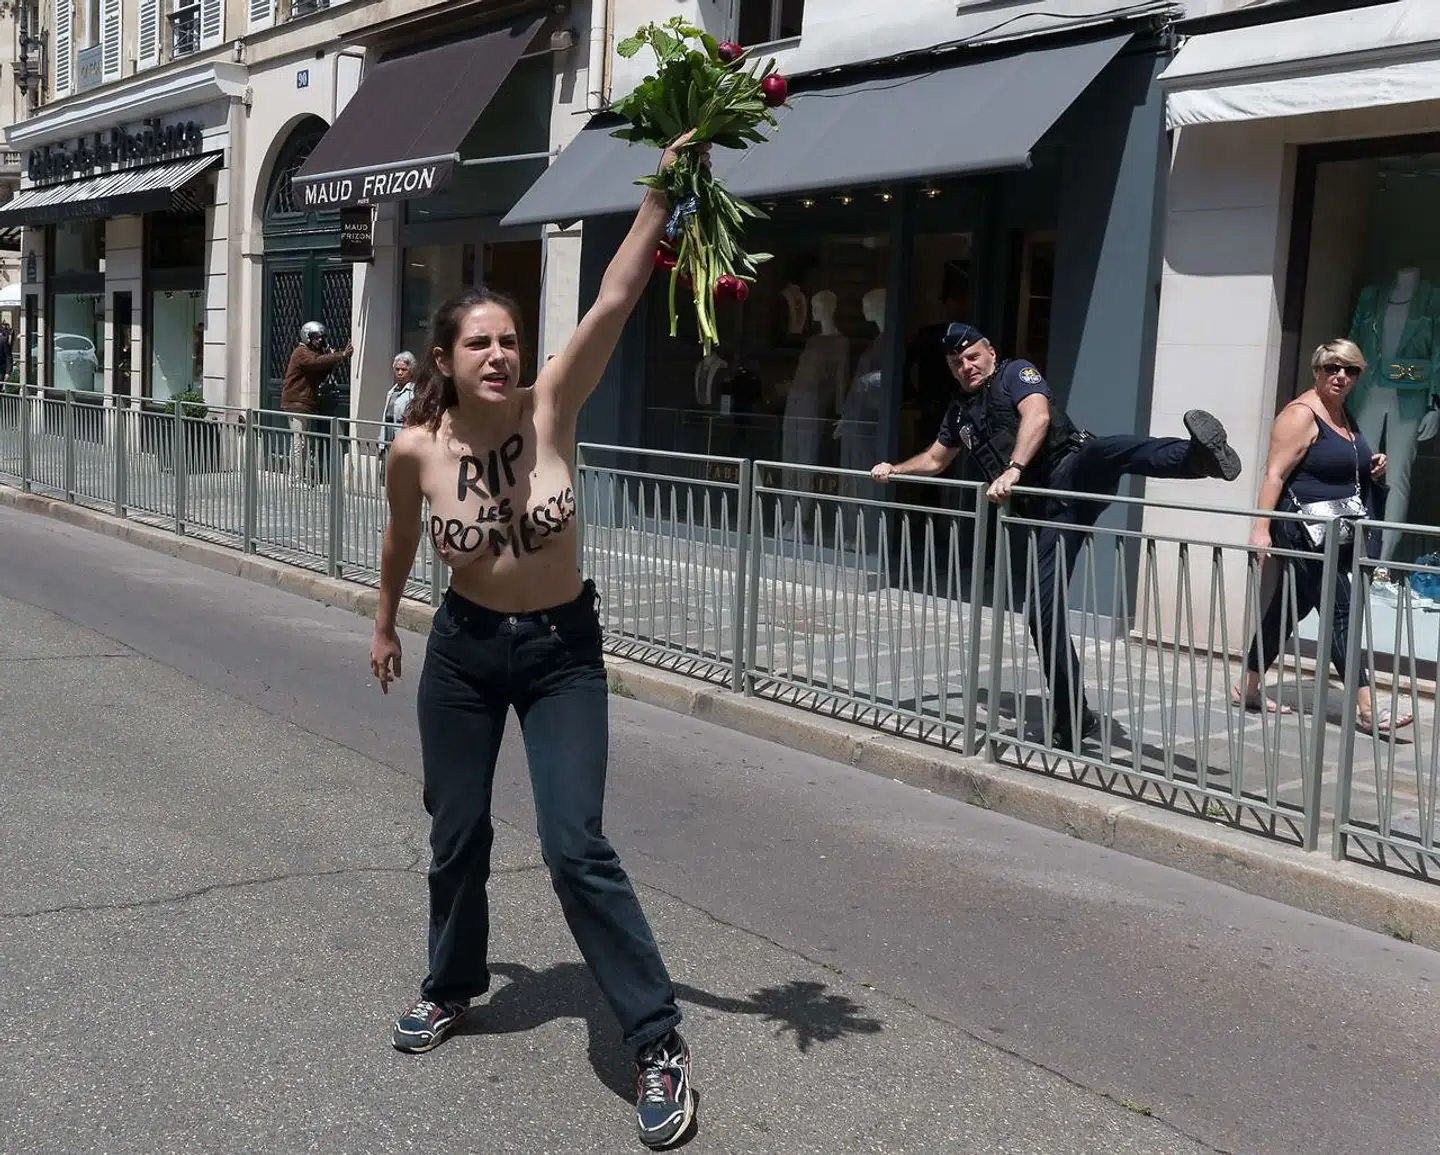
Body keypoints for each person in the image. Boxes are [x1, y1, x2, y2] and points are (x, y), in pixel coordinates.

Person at [368, 133, 703, 1151]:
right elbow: (396, 544)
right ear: (446, 360)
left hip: (562, 652)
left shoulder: (553, 409)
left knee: (573, 844)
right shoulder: (415, 450)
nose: (502, 354)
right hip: (465, 652)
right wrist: (382, 624)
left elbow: (613, 294)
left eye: (510, 338)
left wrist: (663, 190)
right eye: (481, 343)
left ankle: (656, 1040)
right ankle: (452, 985)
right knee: (457, 833)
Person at [870, 323, 1244, 749]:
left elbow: (1038, 415)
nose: (966, 367)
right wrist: (896, 469)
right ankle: (1073, 716)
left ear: (989, 351)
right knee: (1041, 614)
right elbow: (937, 460)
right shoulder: (959, 413)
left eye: (972, 356)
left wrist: (1014, 468)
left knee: (1108, 450)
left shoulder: (1015, 374)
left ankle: (1196, 459)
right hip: (1050, 513)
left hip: (1073, 471)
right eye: (957, 363)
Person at [1236, 338, 1413, 735]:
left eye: (1350, 370)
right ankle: (1368, 709)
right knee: (1340, 612)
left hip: (1335, 528)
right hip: (1303, 531)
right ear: (1316, 370)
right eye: (1332, 368)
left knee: (1287, 609)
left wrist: (1372, 466)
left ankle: (1247, 687)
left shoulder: (1342, 414)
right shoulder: (1300, 415)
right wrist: (1261, 529)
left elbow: (1339, 464)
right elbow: (1274, 475)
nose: (1341, 376)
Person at [281, 321, 353, 483]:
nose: (319, 340)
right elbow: (314, 362)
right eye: (315, 337)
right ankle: (296, 478)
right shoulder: (301, 352)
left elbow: (321, 369)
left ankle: (301, 476)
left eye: (321, 337)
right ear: (307, 337)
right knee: (299, 441)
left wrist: (332, 356)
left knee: (304, 441)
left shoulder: (314, 353)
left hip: (305, 402)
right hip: (296, 402)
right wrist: (340, 355)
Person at [378, 351, 417, 483]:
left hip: (402, 439)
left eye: (404, 370)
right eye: (397, 369)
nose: (400, 373)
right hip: (389, 439)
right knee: (389, 478)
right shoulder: (392, 391)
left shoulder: (414, 392)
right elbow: (385, 417)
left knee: (402, 478)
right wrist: (381, 444)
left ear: (410, 371)